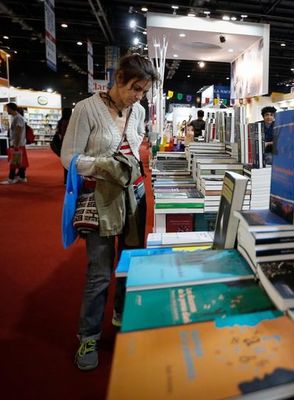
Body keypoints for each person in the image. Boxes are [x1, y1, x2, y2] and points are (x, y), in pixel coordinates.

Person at [60, 53, 159, 370]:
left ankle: (121, 314)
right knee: (99, 273)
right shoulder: (87, 109)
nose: (138, 96)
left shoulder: (139, 110)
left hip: (135, 196)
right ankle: (88, 336)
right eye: (135, 88)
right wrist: (104, 166)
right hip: (100, 198)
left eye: (143, 90)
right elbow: (68, 158)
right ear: (119, 79)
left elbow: (137, 146)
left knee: (130, 264)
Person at [1, 103, 28, 184]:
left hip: (17, 144)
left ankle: (11, 178)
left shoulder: (17, 118)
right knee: (20, 161)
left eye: (7, 108)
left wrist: (16, 144)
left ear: (11, 108)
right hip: (19, 143)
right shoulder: (16, 117)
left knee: (14, 162)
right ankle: (22, 177)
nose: (7, 110)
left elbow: (18, 132)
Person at [55, 107, 72, 184]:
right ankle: (70, 180)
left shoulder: (61, 121)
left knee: (66, 163)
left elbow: (59, 133)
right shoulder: (71, 121)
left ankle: (66, 180)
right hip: (70, 143)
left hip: (63, 144)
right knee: (72, 163)